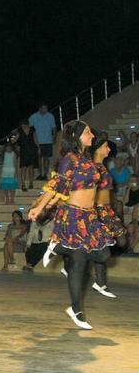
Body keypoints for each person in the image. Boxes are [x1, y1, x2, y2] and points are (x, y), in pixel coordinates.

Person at [28, 121, 113, 330]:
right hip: (74, 215)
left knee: (103, 255)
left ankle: (58, 247)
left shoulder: (85, 159)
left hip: (89, 217)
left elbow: (65, 189)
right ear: (76, 137)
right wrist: (39, 207)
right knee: (79, 264)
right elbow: (56, 185)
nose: (91, 134)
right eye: (87, 132)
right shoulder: (70, 158)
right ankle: (77, 310)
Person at [90, 135, 125, 299]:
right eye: (106, 146)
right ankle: (100, 282)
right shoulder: (91, 168)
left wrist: (114, 203)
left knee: (123, 241)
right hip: (97, 211)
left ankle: (80, 256)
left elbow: (107, 191)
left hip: (108, 210)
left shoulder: (104, 167)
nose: (109, 149)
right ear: (98, 149)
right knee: (102, 248)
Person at [29, 104, 56, 180]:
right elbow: (29, 127)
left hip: (48, 140)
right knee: (39, 158)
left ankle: (46, 174)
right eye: (44, 108)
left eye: (46, 108)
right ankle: (41, 174)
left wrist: (54, 137)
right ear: (40, 108)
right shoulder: (34, 116)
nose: (46, 110)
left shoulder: (50, 116)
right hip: (37, 141)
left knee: (46, 158)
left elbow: (54, 128)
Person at [15, 119, 38, 191]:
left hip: (30, 150)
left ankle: (29, 183)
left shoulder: (31, 130)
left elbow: (35, 140)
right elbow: (15, 140)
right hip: (25, 151)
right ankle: (24, 184)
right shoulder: (20, 131)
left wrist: (39, 148)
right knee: (24, 168)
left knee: (28, 168)